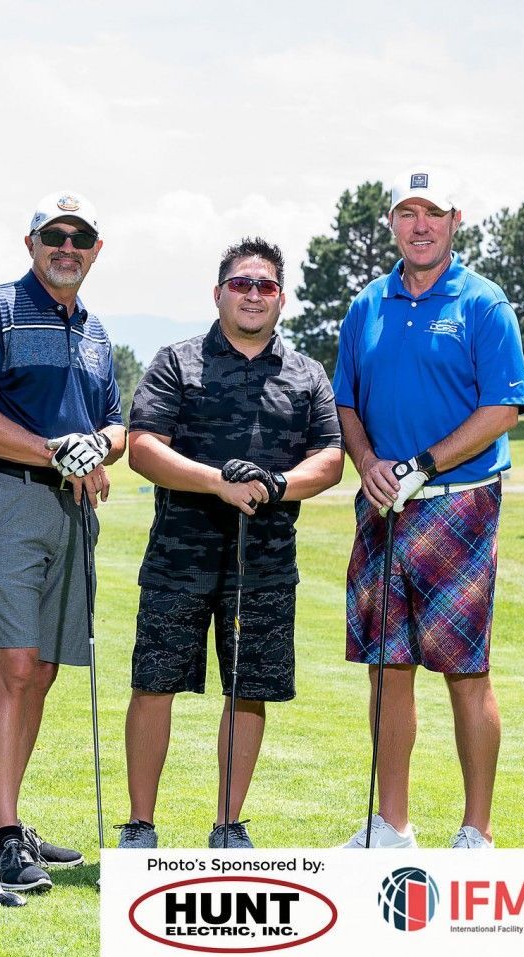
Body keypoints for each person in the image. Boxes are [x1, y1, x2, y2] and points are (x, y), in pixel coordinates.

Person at [116, 238, 343, 850]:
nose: (252, 295)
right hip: (179, 557)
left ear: (281, 299)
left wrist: (278, 485)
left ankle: (228, 823)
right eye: (241, 284)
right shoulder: (177, 361)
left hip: (265, 563)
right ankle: (140, 825)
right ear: (218, 293)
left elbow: (330, 458)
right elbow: (143, 448)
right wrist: (218, 483)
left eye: (264, 286)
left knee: (249, 691)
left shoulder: (307, 374)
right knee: (154, 683)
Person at [332, 168, 524, 850]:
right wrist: (366, 461)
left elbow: (502, 408)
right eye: (407, 213)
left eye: (433, 214)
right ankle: (391, 825)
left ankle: (477, 832)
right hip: (382, 505)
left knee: (465, 670)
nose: (420, 226)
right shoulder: (367, 304)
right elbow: (347, 402)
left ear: (454, 221)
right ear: (392, 222)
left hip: (460, 504)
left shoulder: (483, 303)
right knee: (387, 668)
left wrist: (424, 463)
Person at [0, 190, 126, 892]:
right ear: (31, 244)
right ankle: (5, 837)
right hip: (5, 498)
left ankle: (0, 821)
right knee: (17, 666)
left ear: (96, 250)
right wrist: (56, 451)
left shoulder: (96, 331)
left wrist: (96, 448)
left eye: (79, 238)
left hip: (71, 508)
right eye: (54, 235)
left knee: (45, 668)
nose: (66, 248)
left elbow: (116, 423)